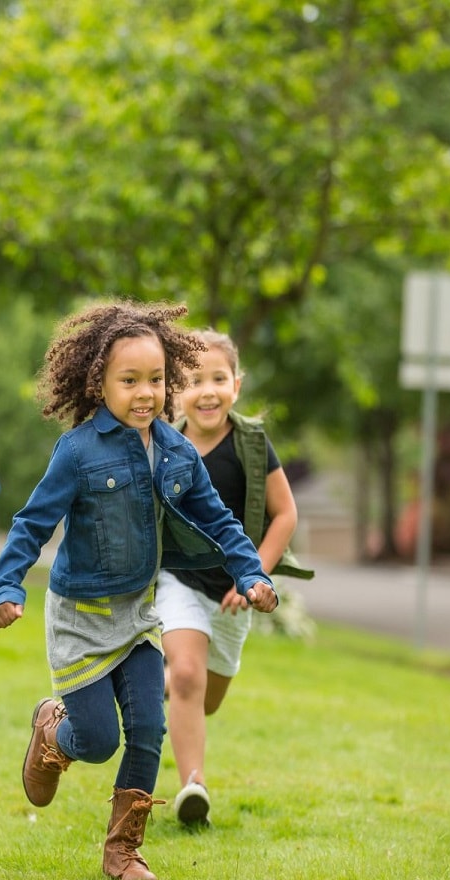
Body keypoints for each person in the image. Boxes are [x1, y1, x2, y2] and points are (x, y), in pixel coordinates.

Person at [0, 300, 279, 880]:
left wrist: (252, 574)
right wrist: (6, 585)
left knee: (148, 727)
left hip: (140, 614)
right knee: (95, 741)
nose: (145, 393)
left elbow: (220, 520)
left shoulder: (176, 450)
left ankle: (123, 850)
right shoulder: (77, 452)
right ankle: (54, 731)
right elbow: (32, 523)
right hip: (81, 618)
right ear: (100, 382)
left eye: (155, 380)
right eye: (130, 381)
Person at [157, 329, 313, 827]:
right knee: (186, 675)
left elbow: (285, 514)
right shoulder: (162, 444)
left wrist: (253, 577)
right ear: (174, 389)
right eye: (194, 379)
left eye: (218, 378)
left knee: (208, 699)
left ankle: (165, 684)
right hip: (176, 580)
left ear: (236, 385)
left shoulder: (251, 444)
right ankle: (192, 786)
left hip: (232, 595)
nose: (207, 390)